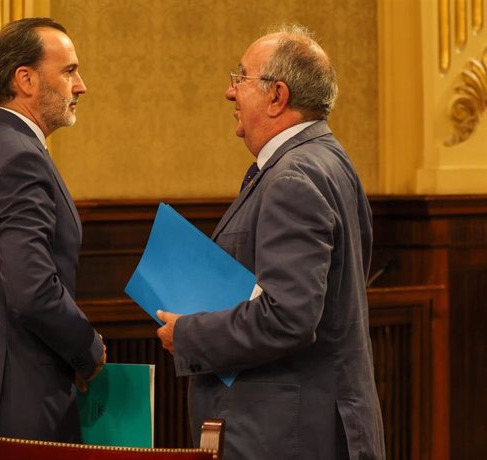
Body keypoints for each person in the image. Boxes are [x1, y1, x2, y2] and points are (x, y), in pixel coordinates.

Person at [156, 25, 385, 459]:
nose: (229, 92)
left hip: (285, 436)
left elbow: (289, 316)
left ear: (277, 96)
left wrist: (188, 332)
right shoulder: (326, 159)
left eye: (240, 78)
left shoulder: (294, 177)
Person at [0, 17, 106, 449]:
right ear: (25, 79)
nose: (81, 86)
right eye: (69, 71)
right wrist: (88, 348)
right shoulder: (21, 160)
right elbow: (31, 290)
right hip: (19, 410)